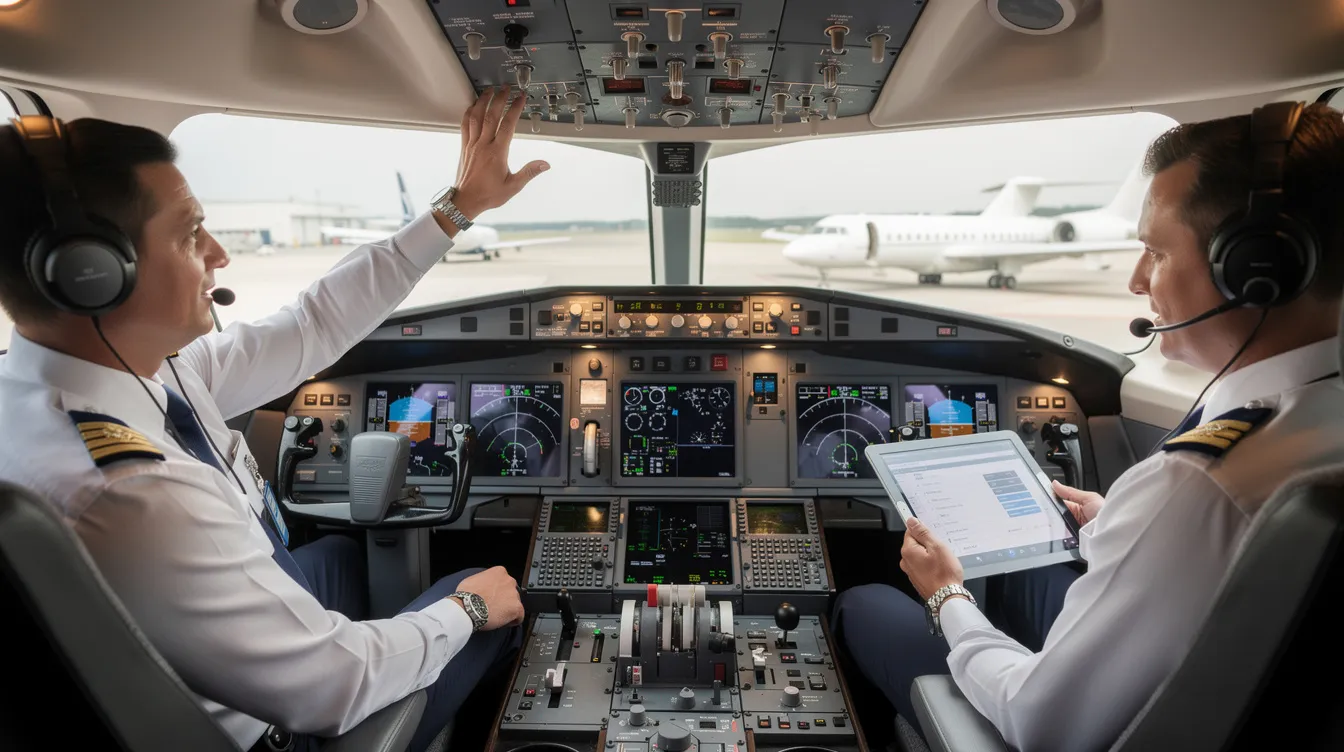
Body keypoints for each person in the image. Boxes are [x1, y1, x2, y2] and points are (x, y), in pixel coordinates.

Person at [0, 86, 548, 751]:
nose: (218, 254)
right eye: (188, 231)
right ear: (92, 274)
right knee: (486, 590)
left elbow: (311, 323)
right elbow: (335, 681)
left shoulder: (138, 374)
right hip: (269, 730)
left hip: (197, 648)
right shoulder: (134, 492)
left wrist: (457, 208)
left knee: (343, 556)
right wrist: (465, 609)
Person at [833, 100, 1344, 751]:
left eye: (1155, 252)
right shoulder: (1309, 421)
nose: (1136, 281)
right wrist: (1114, 521)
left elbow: (1038, 723)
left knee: (865, 600)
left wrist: (946, 597)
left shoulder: (1195, 485)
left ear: (1255, 271)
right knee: (1028, 563)